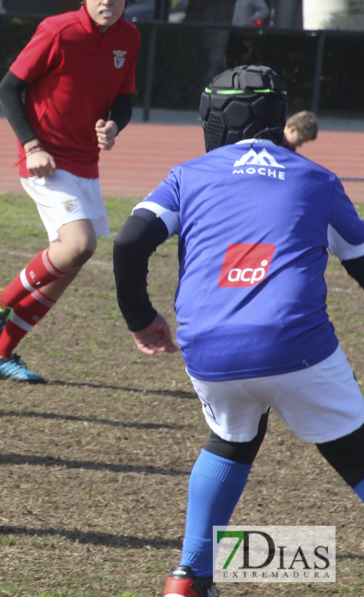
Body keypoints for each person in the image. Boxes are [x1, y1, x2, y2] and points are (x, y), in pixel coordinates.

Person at [112, 65, 364, 597]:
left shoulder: (187, 174)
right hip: (297, 346)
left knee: (231, 438)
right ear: (279, 117)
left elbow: (130, 242)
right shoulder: (316, 178)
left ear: (212, 118)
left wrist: (141, 318)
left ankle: (189, 578)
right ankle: (207, 571)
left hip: (208, 348)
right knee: (355, 452)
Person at [0, 0, 138, 383]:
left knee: (69, 264)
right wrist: (32, 147)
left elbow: (124, 102)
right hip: (44, 158)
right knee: (79, 245)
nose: (107, 1)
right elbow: (8, 88)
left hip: (86, 163)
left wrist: (115, 126)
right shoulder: (57, 30)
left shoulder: (129, 37)